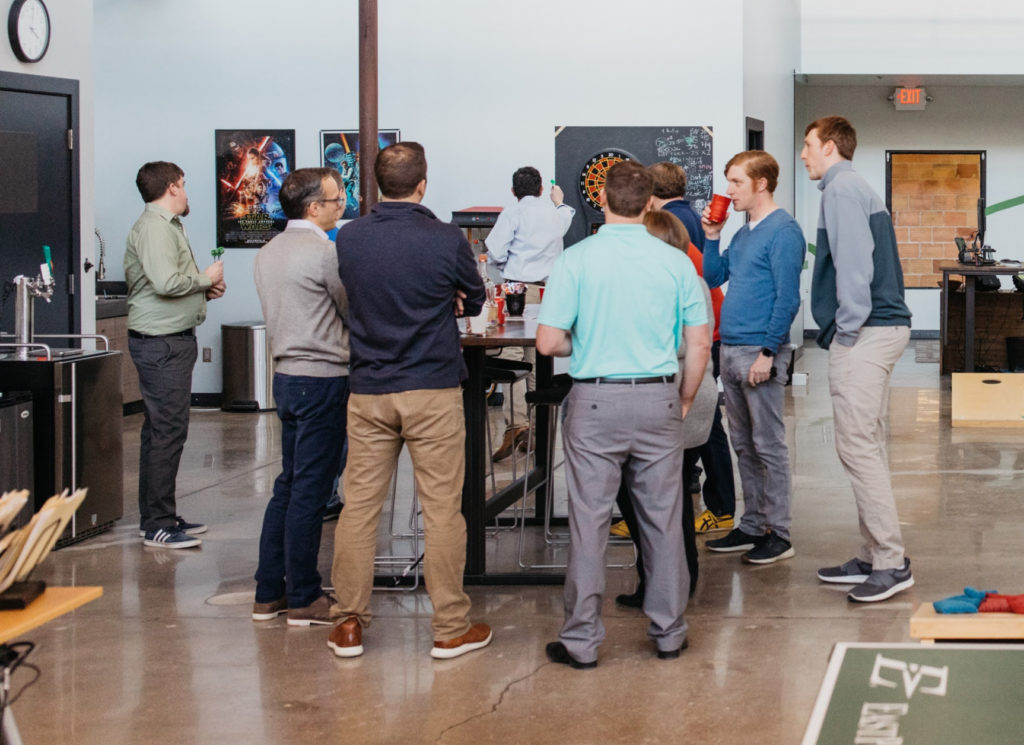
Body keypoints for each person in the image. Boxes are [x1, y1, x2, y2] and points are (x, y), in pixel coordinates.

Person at [537, 160, 710, 668]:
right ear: (650, 201)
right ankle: (669, 633)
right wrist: (683, 398)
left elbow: (548, 341)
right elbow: (698, 343)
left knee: (589, 523)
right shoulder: (675, 263)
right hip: (658, 397)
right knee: (663, 519)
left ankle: (582, 641)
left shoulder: (577, 259)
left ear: (604, 201)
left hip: (594, 401)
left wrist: (585, 338)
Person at [327, 142, 492, 659]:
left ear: (377, 185)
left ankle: (348, 623)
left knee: (359, 509)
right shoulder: (445, 238)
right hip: (431, 388)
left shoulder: (349, 238)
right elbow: (478, 297)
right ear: (423, 183)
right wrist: (451, 295)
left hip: (369, 389)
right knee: (443, 510)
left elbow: (355, 293)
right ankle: (449, 627)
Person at [801, 116, 914, 603]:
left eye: (808, 145)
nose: (803, 154)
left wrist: (846, 330)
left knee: (857, 448)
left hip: (865, 332)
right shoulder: (852, 187)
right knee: (864, 442)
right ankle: (871, 554)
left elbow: (855, 266)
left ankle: (890, 562)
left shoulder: (841, 189)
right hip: (876, 329)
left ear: (829, 147)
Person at [252, 168, 349, 625]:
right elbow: (350, 308)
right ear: (314, 208)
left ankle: (269, 591)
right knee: (312, 491)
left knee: (288, 486)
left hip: (286, 377)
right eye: (335, 199)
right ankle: (305, 596)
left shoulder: (268, 251)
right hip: (324, 377)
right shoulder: (324, 253)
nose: (341, 204)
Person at [700, 150, 805, 565]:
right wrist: (711, 236)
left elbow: (788, 298)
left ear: (761, 183)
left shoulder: (784, 231)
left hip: (759, 352)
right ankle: (752, 524)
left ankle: (778, 532)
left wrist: (768, 351)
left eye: (737, 182)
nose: (729, 190)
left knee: (769, 445)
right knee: (743, 444)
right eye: (728, 181)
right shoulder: (744, 233)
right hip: (730, 348)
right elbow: (712, 276)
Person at [613, 209, 718, 609]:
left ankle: (663, 582)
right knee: (669, 498)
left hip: (675, 395)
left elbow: (679, 346)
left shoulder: (669, 283)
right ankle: (678, 576)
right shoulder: (691, 279)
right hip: (692, 395)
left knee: (643, 498)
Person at [125, 161, 225, 549]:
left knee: (160, 432)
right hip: (161, 343)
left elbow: (166, 281)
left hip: (168, 340)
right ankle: (157, 525)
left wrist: (203, 290)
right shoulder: (154, 228)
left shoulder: (166, 227)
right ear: (170, 188)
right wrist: (207, 279)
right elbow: (166, 283)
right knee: (167, 432)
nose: (186, 192)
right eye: (182, 185)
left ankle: (158, 515)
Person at [648, 161, 736, 535]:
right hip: (705, 323)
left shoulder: (665, 227)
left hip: (700, 329)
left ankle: (720, 506)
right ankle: (706, 500)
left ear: (650, 196)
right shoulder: (688, 218)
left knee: (705, 419)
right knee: (702, 418)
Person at [485, 166, 575, 460]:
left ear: (514, 191)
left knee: (511, 357)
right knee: (538, 360)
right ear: (540, 190)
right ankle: (538, 432)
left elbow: (495, 252)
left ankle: (517, 426)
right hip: (548, 293)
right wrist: (557, 199)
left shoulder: (512, 213)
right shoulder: (554, 213)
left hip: (517, 293)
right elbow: (564, 214)